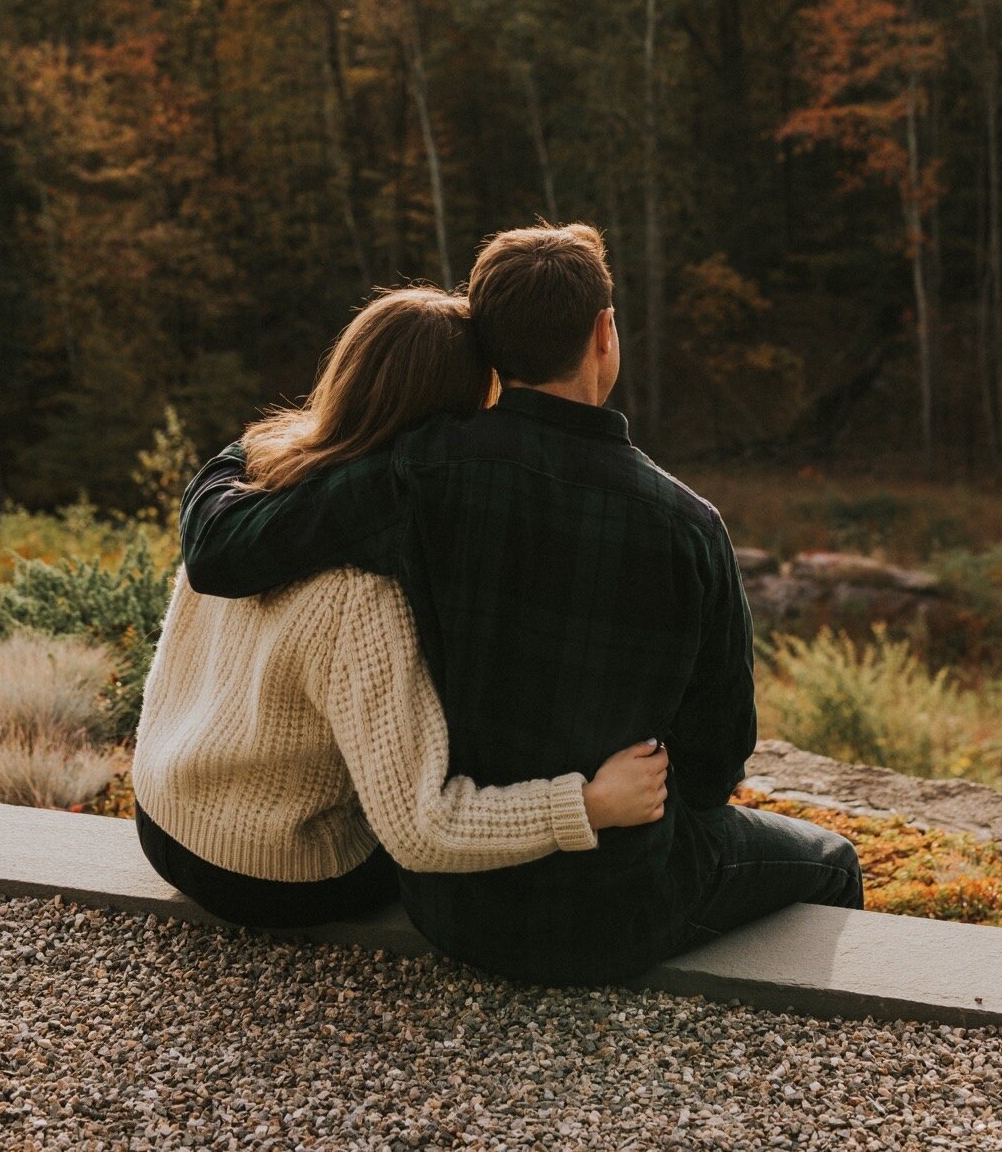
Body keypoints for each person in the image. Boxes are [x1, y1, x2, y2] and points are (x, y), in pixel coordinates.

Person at [180, 226, 861, 979]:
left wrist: (243, 448)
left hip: (450, 902)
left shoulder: (417, 473)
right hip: (621, 903)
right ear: (605, 333)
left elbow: (230, 549)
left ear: (490, 345)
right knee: (832, 860)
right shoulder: (690, 527)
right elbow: (712, 768)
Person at [132, 286, 669, 931]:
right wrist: (588, 804)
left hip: (161, 813)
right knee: (488, 872)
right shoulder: (363, 591)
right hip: (267, 871)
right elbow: (422, 830)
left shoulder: (253, 475)